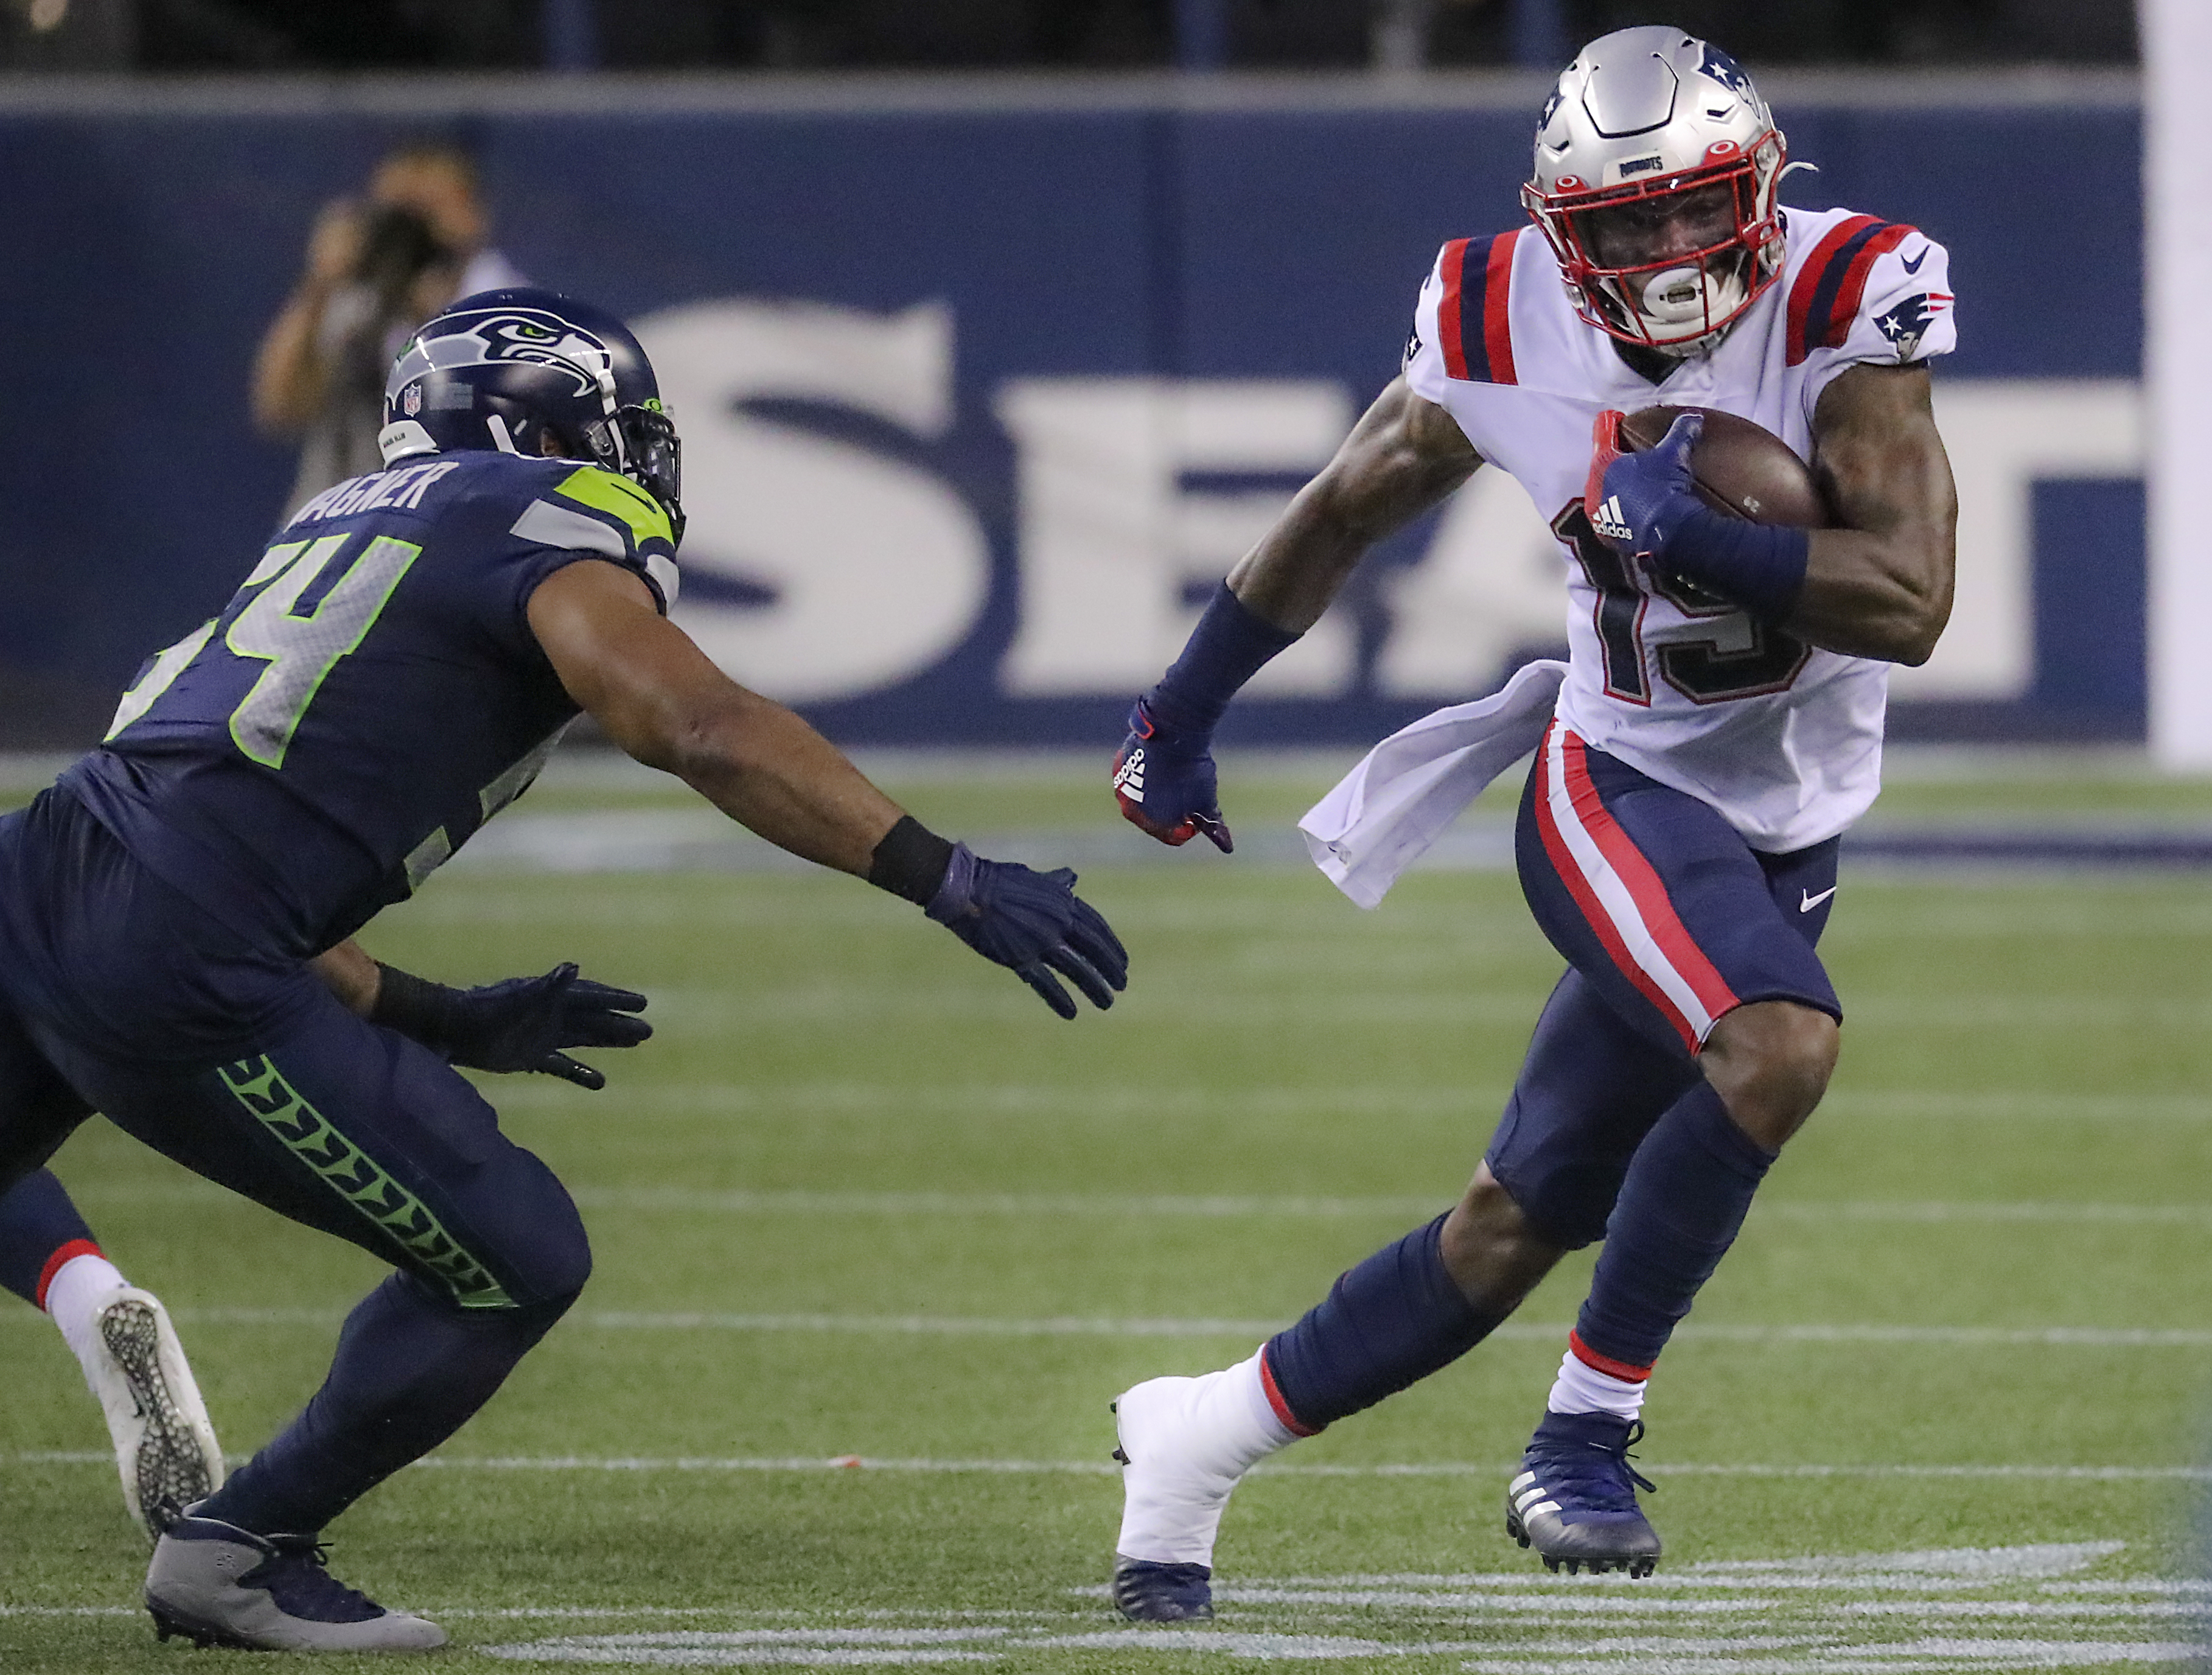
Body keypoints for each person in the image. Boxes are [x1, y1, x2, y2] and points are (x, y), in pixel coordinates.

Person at [0, 287, 1126, 1652]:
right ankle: (239, 1544)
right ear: (542, 428)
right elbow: (694, 721)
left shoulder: (338, 515)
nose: (638, 460)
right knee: (511, 1255)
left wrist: (441, 1015)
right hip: (178, 940)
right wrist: (940, 873)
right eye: (618, 430)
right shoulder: (535, 523)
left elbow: (210, 824)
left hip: (41, 867)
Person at [1103, 26, 1956, 1620]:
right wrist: (1181, 708)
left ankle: (1193, 1441)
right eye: (1617, 226)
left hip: (1791, 820)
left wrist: (1704, 535)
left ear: (1761, 189)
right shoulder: (1499, 316)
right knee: (1775, 1046)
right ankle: (1583, 1435)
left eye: (1692, 209)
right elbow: (1346, 499)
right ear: (1559, 227)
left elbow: (1908, 603)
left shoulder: (1848, 300)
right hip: (1615, 782)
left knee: (1512, 1226)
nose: (1658, 252)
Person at [253, 141, 526, 518]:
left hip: (441, 528)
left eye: (425, 212)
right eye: (396, 215)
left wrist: (430, 312)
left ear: (472, 213)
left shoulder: (506, 308)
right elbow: (282, 406)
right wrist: (318, 284)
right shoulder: (353, 306)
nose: (410, 232)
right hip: (332, 525)